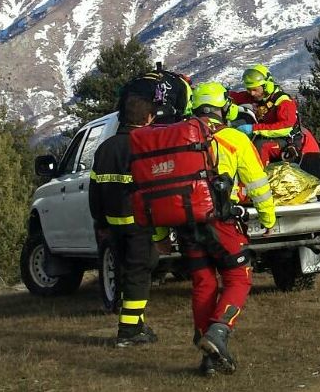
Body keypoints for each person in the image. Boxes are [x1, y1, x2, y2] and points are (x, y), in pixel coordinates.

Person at [177, 82, 277, 375]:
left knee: (204, 284)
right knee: (239, 278)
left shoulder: (179, 137)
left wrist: (159, 235)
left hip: (185, 225)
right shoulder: (233, 138)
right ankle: (219, 333)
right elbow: (256, 183)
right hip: (221, 222)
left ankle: (208, 358)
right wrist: (268, 219)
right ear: (223, 108)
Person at [87, 88, 160, 347]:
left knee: (129, 271)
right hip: (139, 222)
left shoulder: (105, 148)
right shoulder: (144, 146)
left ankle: (136, 323)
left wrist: (100, 222)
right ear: (149, 118)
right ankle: (129, 331)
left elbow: (94, 189)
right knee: (139, 273)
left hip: (113, 224)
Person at [229, 64, 320, 165]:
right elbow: (235, 97)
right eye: (249, 89)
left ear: (266, 86)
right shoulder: (258, 96)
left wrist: (254, 129)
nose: (252, 93)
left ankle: (259, 177)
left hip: (294, 143)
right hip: (277, 138)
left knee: (261, 146)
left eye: (255, 89)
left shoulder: (284, 102)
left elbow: (285, 128)